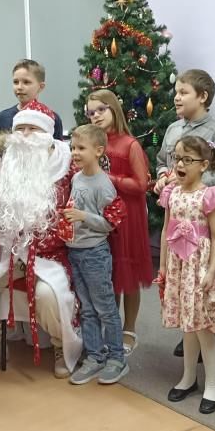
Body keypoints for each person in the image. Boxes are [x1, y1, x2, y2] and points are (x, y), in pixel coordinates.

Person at [0, 101, 83, 379]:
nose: (24, 135)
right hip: (4, 253)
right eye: (20, 128)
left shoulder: (69, 170)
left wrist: (41, 246)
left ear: (48, 135)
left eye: (32, 129)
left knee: (50, 295)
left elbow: (77, 217)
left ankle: (62, 345)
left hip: (51, 256)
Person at [154, 68, 215, 357]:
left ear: (202, 97)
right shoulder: (172, 129)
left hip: (200, 216)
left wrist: (191, 183)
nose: (176, 97)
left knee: (201, 282)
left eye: (183, 92)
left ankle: (209, 333)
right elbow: (162, 160)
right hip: (178, 218)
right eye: (176, 92)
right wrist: (163, 176)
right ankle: (188, 328)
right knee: (182, 280)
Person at [159, 136, 215, 415]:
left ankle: (212, 383)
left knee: (203, 326)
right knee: (187, 324)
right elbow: (166, 230)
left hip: (200, 265)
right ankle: (188, 377)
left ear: (203, 165)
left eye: (187, 160)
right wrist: (163, 266)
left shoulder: (211, 196)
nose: (179, 164)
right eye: (177, 158)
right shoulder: (172, 193)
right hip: (179, 265)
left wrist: (212, 270)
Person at [85, 89, 152, 355]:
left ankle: (129, 329)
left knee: (129, 273)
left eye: (101, 109)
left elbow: (141, 184)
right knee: (108, 273)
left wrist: (109, 177)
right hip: (101, 215)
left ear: (114, 109)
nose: (96, 116)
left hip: (128, 216)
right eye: (91, 112)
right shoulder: (93, 143)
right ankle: (110, 328)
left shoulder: (130, 144)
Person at [63, 124, 129, 385]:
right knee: (87, 308)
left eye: (81, 148)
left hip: (95, 253)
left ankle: (116, 358)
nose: (75, 153)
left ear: (99, 151)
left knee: (105, 308)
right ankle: (94, 356)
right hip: (75, 251)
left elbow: (110, 224)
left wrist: (83, 216)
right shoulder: (76, 178)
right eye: (73, 148)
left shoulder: (104, 185)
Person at [0, 59, 64, 140]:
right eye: (16, 82)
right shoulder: (5, 116)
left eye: (26, 82)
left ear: (41, 87)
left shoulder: (52, 118)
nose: (19, 87)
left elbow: (57, 146)